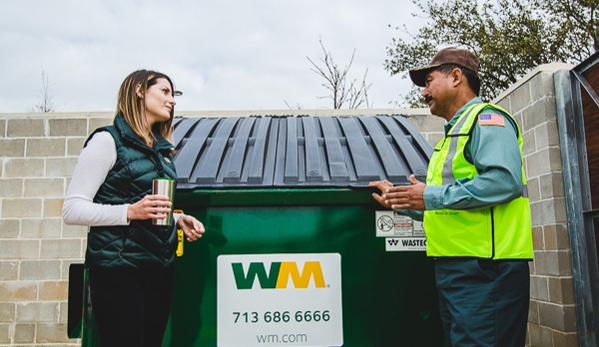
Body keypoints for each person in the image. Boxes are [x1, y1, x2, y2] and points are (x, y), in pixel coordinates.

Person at [370, 47, 533, 347]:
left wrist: (429, 196)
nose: (424, 93)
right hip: (456, 271)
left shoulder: (486, 121)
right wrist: (404, 201)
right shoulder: (451, 135)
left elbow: (503, 181)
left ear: (456, 77)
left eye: (429, 81)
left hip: (486, 272)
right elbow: (448, 205)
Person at [62, 69, 205, 347]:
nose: (172, 101)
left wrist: (177, 219)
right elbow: (72, 209)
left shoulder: (163, 152)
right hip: (118, 271)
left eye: (173, 95)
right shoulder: (107, 141)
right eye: (165, 91)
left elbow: (146, 205)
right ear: (140, 90)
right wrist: (129, 211)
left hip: (158, 269)